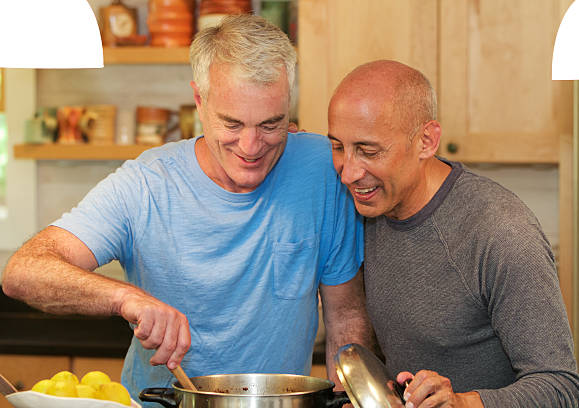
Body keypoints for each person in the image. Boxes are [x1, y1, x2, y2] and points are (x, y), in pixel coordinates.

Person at [1, 15, 374, 404]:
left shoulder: (322, 170)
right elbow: (24, 271)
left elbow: (345, 317)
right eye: (232, 123)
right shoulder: (146, 184)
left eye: (270, 124)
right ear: (199, 101)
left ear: (288, 106)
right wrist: (125, 298)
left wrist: (350, 399)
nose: (250, 146)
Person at [326, 60, 579, 407]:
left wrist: (462, 403)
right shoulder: (370, 208)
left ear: (427, 141)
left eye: (369, 151)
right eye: (338, 147)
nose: (348, 173)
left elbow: (562, 388)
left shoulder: (502, 233)